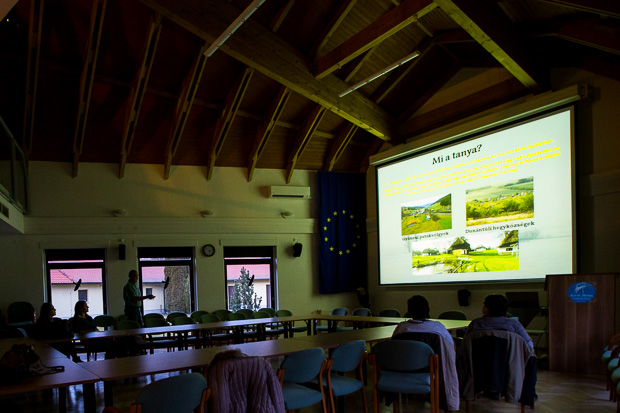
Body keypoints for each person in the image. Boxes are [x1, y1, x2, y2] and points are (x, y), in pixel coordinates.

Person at [391, 295, 459, 412]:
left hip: (405, 371)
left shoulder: (401, 328)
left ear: (409, 311)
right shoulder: (437, 328)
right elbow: (449, 349)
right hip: (431, 371)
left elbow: (394, 350)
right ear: (428, 310)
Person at [465, 294, 533, 348]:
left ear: (486, 309)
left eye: (484, 305)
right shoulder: (514, 324)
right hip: (509, 360)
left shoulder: (475, 324)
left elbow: (465, 343)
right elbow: (528, 344)